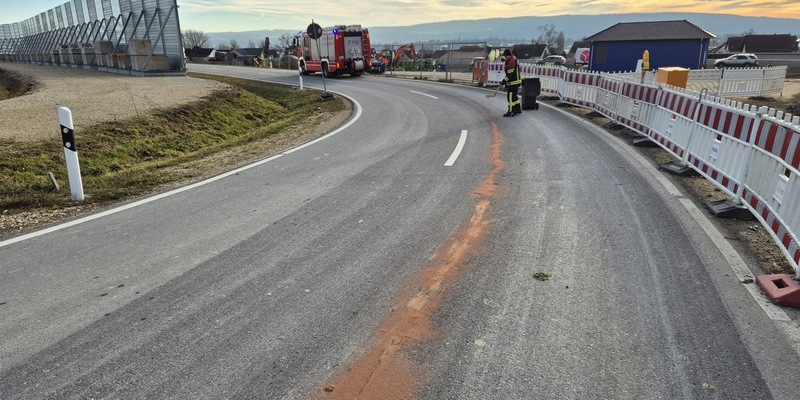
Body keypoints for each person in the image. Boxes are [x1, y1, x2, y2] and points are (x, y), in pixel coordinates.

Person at [500, 49, 522, 117]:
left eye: (506, 56)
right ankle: (518, 109)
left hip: (513, 82)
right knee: (514, 96)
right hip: (515, 81)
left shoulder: (511, 61)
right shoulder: (512, 59)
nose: (505, 58)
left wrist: (503, 82)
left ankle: (511, 111)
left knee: (510, 97)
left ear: (508, 55)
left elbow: (510, 74)